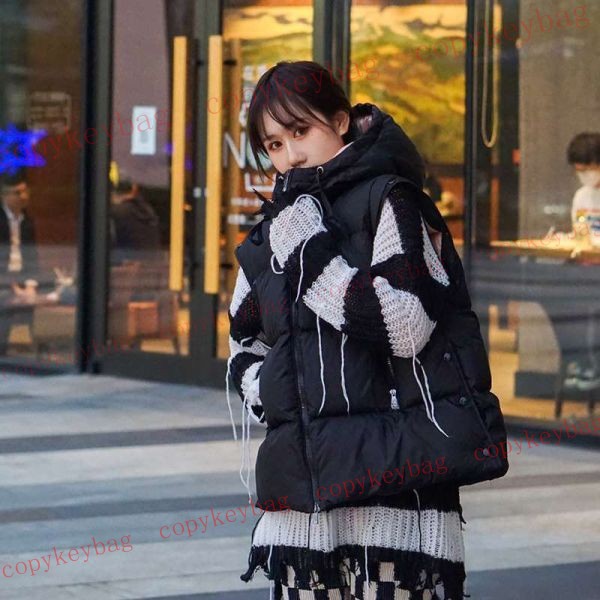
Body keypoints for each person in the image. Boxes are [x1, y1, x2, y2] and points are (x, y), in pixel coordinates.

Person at [226, 61, 477, 600]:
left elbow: (405, 323)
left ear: (340, 121)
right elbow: (243, 342)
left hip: (396, 486)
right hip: (302, 501)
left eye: (300, 132)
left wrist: (310, 254)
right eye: (273, 145)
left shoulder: (390, 200)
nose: (291, 156)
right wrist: (273, 393)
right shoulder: (273, 230)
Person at [0, 171, 40, 355]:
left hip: (21, 277)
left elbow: (32, 257)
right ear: (4, 196)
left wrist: (30, 284)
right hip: (4, 279)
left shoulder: (27, 221)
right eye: (17, 193)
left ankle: (31, 346)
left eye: (25, 191)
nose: (23, 196)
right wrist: (14, 287)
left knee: (39, 297)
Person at [567, 132, 600, 231]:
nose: (584, 175)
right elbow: (579, 231)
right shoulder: (581, 196)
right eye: (580, 171)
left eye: (588, 169)